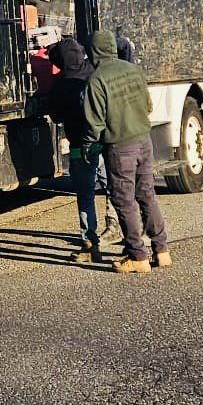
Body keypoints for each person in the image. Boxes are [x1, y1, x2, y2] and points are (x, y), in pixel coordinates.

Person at [79, 30, 170, 274]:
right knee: (147, 195)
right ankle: (161, 251)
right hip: (144, 140)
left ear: (93, 51)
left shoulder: (96, 79)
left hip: (120, 147)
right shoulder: (133, 70)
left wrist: (88, 146)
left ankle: (137, 256)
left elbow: (94, 122)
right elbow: (148, 106)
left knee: (123, 199)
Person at [42, 37, 104, 262]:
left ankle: (89, 243)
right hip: (104, 143)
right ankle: (125, 234)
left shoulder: (60, 86)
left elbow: (56, 117)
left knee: (85, 196)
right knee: (116, 191)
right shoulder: (95, 72)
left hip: (79, 148)